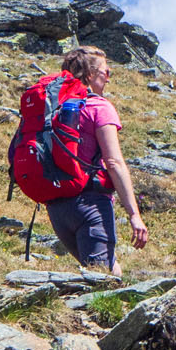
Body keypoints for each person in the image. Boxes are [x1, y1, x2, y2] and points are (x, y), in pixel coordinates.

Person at [44, 46, 148, 272]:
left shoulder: (52, 108)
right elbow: (114, 162)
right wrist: (134, 215)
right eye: (106, 72)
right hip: (90, 204)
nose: (108, 78)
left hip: (56, 207)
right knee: (99, 281)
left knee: (108, 269)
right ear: (90, 75)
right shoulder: (99, 107)